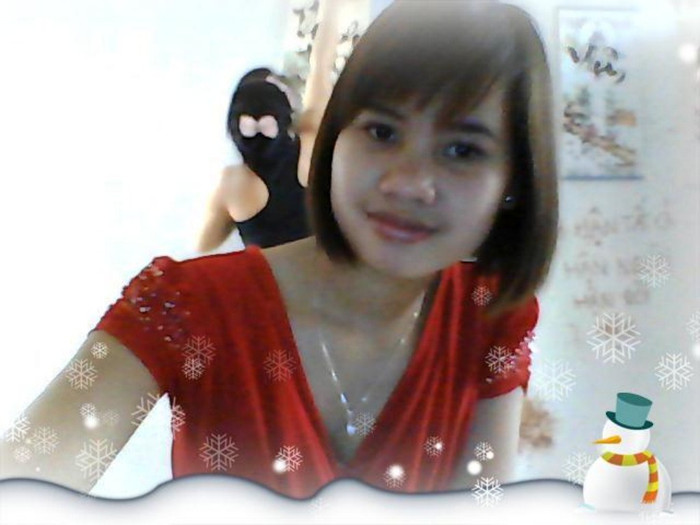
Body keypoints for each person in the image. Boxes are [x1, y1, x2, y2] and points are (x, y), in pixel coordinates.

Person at [0, 0, 558, 499]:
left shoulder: (492, 315)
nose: (407, 183)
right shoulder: (184, 304)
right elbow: (25, 485)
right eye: (382, 132)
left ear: (514, 181)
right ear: (336, 135)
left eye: (462, 150)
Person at [197, 0, 342, 251]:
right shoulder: (310, 142)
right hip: (326, 272)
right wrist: (332, 9)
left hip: (268, 277)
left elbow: (203, 247)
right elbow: (321, 65)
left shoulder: (232, 184)